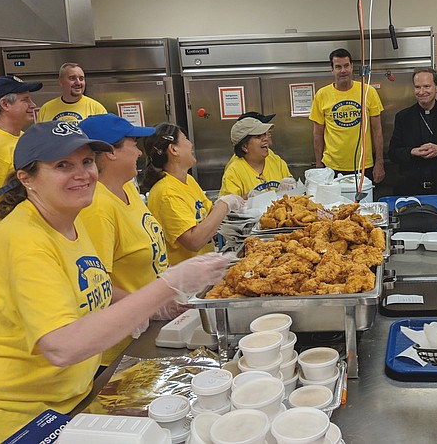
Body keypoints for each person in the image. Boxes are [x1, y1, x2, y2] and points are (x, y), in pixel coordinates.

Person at [0, 121, 228, 441]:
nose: (82, 173)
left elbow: (95, 286)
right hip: (19, 417)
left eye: (86, 161)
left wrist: (156, 308)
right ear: (27, 179)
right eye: (62, 166)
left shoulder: (69, 219)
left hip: (72, 398)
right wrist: (167, 286)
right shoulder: (24, 240)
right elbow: (61, 346)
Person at [78, 114, 178, 368]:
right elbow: (97, 285)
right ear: (110, 152)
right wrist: (151, 306)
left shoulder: (128, 189)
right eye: (133, 143)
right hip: (122, 347)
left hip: (147, 330)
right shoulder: (97, 208)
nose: (139, 152)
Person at [142, 123, 244, 264]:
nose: (190, 144)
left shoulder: (187, 180)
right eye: (185, 139)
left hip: (205, 270)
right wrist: (223, 205)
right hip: (185, 281)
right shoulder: (166, 193)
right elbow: (194, 241)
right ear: (173, 149)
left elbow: (209, 215)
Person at [0, 75, 41, 252]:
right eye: (25, 100)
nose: (33, 105)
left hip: (26, 236)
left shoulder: (23, 138)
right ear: (5, 105)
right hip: (4, 244)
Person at [309, 48, 385, 183]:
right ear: (332, 70)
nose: (343, 70)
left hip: (364, 165)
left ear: (352, 67)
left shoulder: (368, 91)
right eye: (338, 67)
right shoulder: (322, 95)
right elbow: (317, 134)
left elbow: (377, 130)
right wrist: (319, 165)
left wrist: (379, 163)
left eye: (346, 66)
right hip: (332, 166)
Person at [388, 67, 437, 195]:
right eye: (417, 87)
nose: (422, 91)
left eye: (426, 86)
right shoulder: (403, 117)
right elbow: (392, 153)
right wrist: (412, 151)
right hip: (409, 188)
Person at [219, 117, 293, 198]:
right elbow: (226, 205)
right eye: (258, 136)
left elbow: (291, 184)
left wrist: (291, 186)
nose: (266, 139)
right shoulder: (234, 172)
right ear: (244, 146)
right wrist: (247, 197)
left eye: (265, 134)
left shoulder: (275, 160)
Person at [38, 62, 107, 123]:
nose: (78, 82)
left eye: (81, 79)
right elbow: (39, 137)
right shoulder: (45, 109)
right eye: (72, 78)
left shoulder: (97, 109)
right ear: (61, 82)